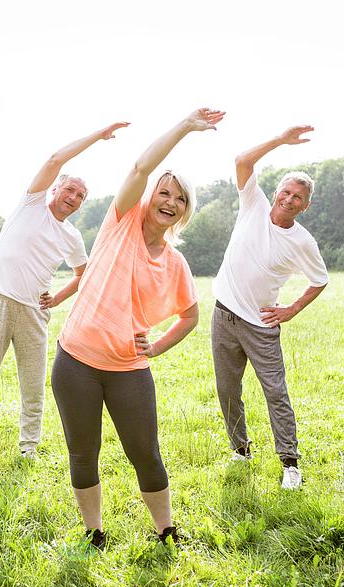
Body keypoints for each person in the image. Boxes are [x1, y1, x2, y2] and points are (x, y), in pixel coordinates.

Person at [51, 108, 225, 549]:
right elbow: (141, 166)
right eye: (164, 193)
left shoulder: (175, 263)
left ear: (185, 211)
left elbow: (190, 315)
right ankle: (94, 532)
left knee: (145, 453)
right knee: (83, 453)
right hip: (76, 362)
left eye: (180, 199)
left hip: (129, 369)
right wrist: (186, 126)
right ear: (150, 197)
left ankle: (164, 530)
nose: (169, 201)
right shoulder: (120, 223)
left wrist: (157, 347)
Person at [0, 122, 129, 467]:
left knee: (34, 386)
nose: (74, 197)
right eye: (70, 189)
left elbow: (84, 274)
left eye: (80, 196)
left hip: (33, 314)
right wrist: (97, 136)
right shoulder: (31, 204)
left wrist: (56, 298)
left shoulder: (71, 237)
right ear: (56, 188)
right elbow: (55, 158)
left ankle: (28, 447)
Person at [210, 125, 329, 490]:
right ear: (277, 191)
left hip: (260, 325)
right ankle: (240, 450)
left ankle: (290, 463)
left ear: (305, 206)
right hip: (223, 315)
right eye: (287, 192)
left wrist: (290, 309)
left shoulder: (303, 242)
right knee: (228, 389)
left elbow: (319, 280)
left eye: (298, 198)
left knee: (275, 391)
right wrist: (280, 140)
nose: (290, 200)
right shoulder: (254, 204)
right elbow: (242, 160)